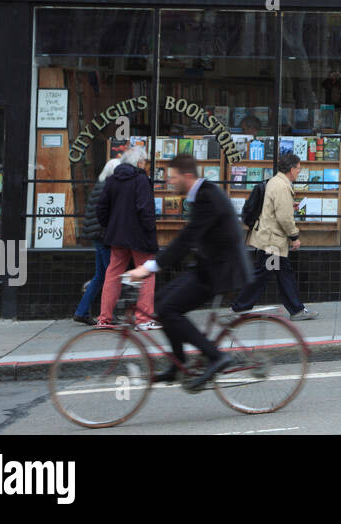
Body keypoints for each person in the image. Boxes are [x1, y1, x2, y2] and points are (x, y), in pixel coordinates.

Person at [127, 154, 252, 390]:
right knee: (159, 302)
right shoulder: (200, 195)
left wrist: (149, 267)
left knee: (169, 309)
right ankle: (178, 365)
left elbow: (187, 238)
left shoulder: (207, 197)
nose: (170, 183)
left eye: (173, 178)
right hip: (207, 265)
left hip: (220, 270)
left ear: (187, 176)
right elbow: (191, 237)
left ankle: (217, 356)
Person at [232, 153, 319, 321]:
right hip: (272, 242)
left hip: (269, 239)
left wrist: (288, 205)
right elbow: (284, 217)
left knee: (279, 273)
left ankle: (296, 309)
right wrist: (294, 237)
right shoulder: (282, 186)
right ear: (292, 169)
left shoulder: (275, 182)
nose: (299, 172)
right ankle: (239, 308)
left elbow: (276, 208)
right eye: (299, 169)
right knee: (265, 274)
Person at [96, 146, 159, 328]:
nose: (145, 164)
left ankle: (104, 318)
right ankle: (143, 319)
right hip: (139, 235)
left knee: (113, 274)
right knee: (146, 272)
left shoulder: (112, 180)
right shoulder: (141, 180)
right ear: (139, 162)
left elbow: (101, 209)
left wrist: (109, 226)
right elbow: (145, 209)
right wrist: (150, 230)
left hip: (117, 236)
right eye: (144, 161)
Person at [72, 156, 121, 326]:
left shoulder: (100, 185)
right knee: (111, 276)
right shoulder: (109, 187)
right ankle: (108, 313)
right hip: (103, 236)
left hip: (96, 236)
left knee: (100, 276)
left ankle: (81, 311)